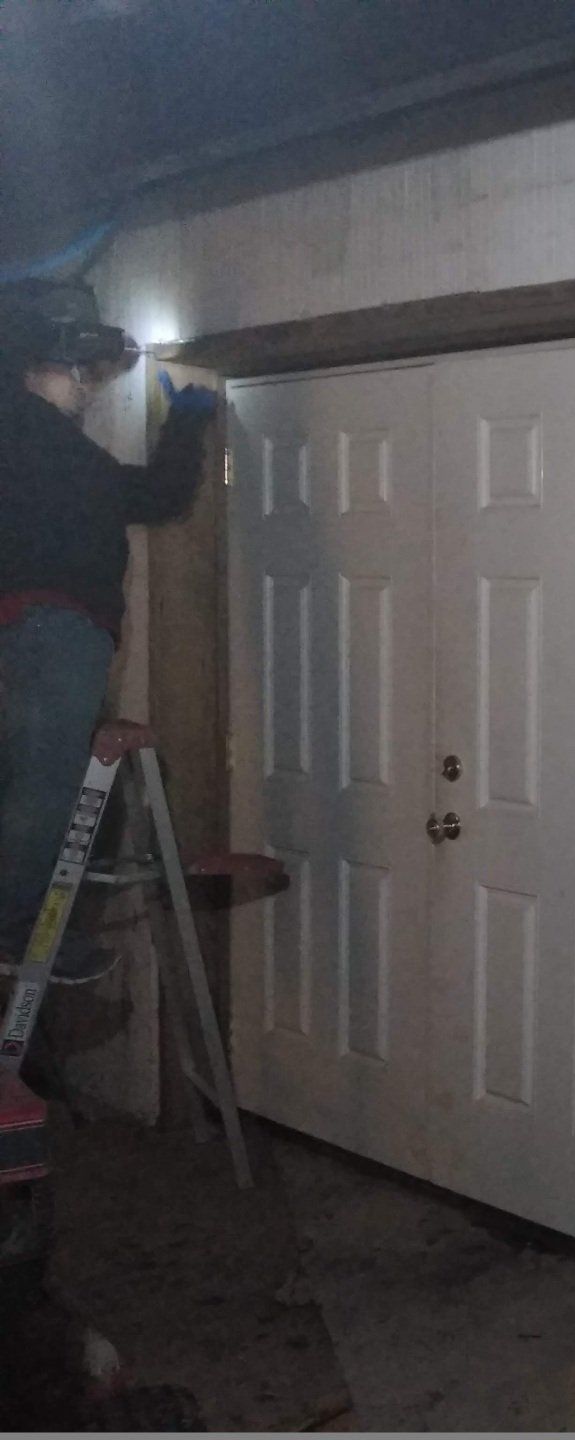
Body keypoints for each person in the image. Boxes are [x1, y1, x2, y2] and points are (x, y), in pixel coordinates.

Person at [0, 278, 217, 981]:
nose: (86, 389)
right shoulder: (40, 441)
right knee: (45, 787)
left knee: (35, 779)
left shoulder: (41, 445)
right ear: (39, 368)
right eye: (77, 374)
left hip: (45, 629)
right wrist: (185, 422)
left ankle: (23, 929)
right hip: (54, 626)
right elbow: (154, 495)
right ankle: (17, 934)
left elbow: (143, 495)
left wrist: (180, 423)